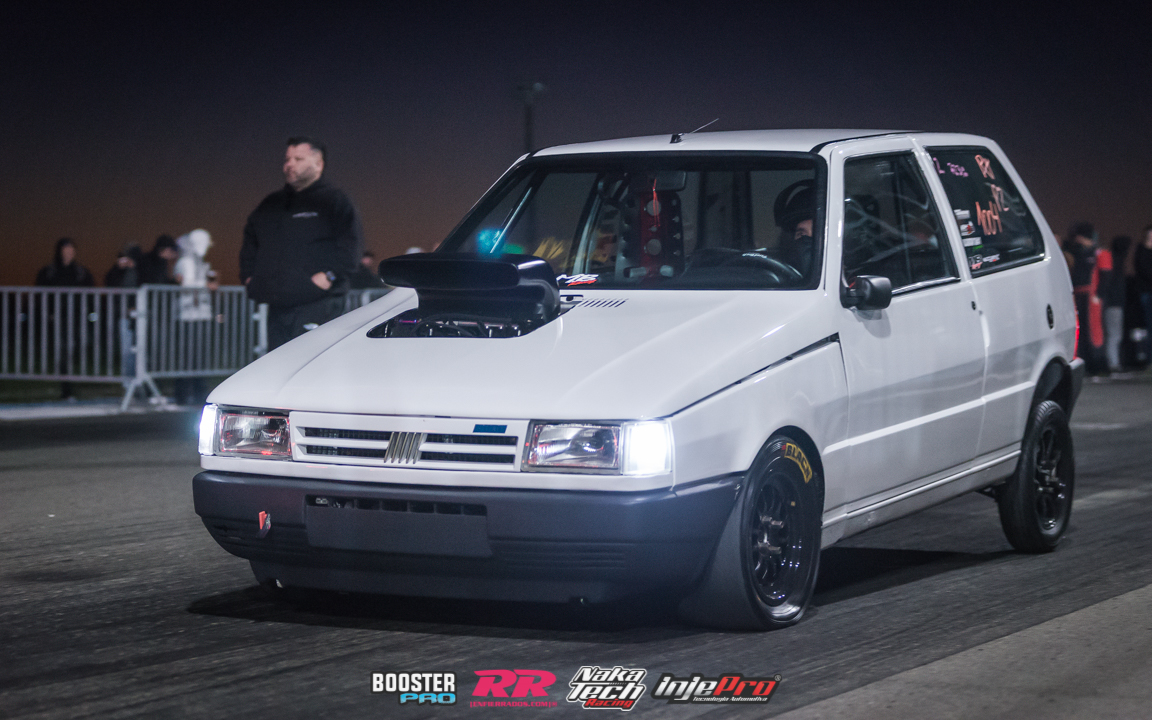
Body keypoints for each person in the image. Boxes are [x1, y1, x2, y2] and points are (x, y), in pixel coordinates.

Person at [240, 136, 362, 351]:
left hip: (319, 303)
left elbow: (351, 246)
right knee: (279, 365)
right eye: (287, 159)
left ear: (318, 164)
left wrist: (329, 276)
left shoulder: (334, 200)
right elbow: (251, 239)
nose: (289, 165)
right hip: (278, 306)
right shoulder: (271, 203)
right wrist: (249, 277)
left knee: (314, 364)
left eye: (298, 159)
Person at [34, 238, 95, 399]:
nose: (69, 252)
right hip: (58, 319)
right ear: (60, 251)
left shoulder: (81, 271)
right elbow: (39, 293)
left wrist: (89, 311)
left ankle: (70, 379)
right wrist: (48, 312)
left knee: (82, 345)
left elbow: (91, 292)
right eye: (66, 249)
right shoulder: (49, 271)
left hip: (78, 318)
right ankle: (66, 390)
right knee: (63, 353)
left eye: (72, 250)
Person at [173, 229, 219, 405]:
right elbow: (188, 284)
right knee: (188, 357)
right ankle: (185, 394)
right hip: (189, 316)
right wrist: (207, 285)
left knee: (198, 357)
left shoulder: (197, 261)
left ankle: (196, 393)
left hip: (198, 315)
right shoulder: (187, 261)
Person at [1064, 222, 1104, 374]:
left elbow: (1104, 276)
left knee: (1092, 331)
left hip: (1090, 296)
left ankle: (1095, 365)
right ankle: (1084, 363)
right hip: (1078, 294)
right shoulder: (1075, 252)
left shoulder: (1096, 253)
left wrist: (1099, 294)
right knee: (1080, 331)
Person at [774, 179, 816, 279]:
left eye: (817, 234)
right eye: (802, 234)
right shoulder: (779, 278)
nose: (807, 241)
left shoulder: (848, 282)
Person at [1100, 236, 1130, 373]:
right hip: (1114, 303)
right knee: (1114, 334)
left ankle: (1112, 362)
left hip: (1111, 302)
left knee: (1112, 334)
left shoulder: (1111, 259)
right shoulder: (1117, 262)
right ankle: (1113, 363)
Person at [1135, 225, 1152, 363]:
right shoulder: (1141, 250)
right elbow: (1143, 270)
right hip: (1147, 292)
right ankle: (1149, 358)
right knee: (1149, 325)